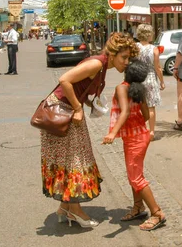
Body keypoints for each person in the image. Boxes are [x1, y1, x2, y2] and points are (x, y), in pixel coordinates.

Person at [42, 32, 138, 228]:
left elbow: (78, 85)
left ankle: (64, 208)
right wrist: (78, 107)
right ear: (112, 54)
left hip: (67, 111)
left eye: (129, 58)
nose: (127, 62)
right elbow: (65, 79)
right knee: (75, 159)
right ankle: (75, 211)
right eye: (124, 57)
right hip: (62, 112)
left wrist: (86, 102)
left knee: (73, 158)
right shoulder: (97, 64)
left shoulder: (102, 66)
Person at [103, 60, 167, 231]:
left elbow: (124, 111)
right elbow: (146, 115)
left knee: (135, 177)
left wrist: (112, 133)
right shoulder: (140, 89)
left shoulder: (122, 88)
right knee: (134, 174)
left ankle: (157, 213)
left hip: (135, 139)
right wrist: (132, 126)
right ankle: (138, 207)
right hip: (140, 135)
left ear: (127, 73)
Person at [135, 24, 165, 141]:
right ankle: (151, 132)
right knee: (151, 107)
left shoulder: (134, 47)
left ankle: (139, 130)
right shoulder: (154, 49)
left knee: (138, 107)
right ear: (148, 34)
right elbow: (157, 67)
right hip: (150, 78)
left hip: (137, 77)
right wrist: (162, 81)